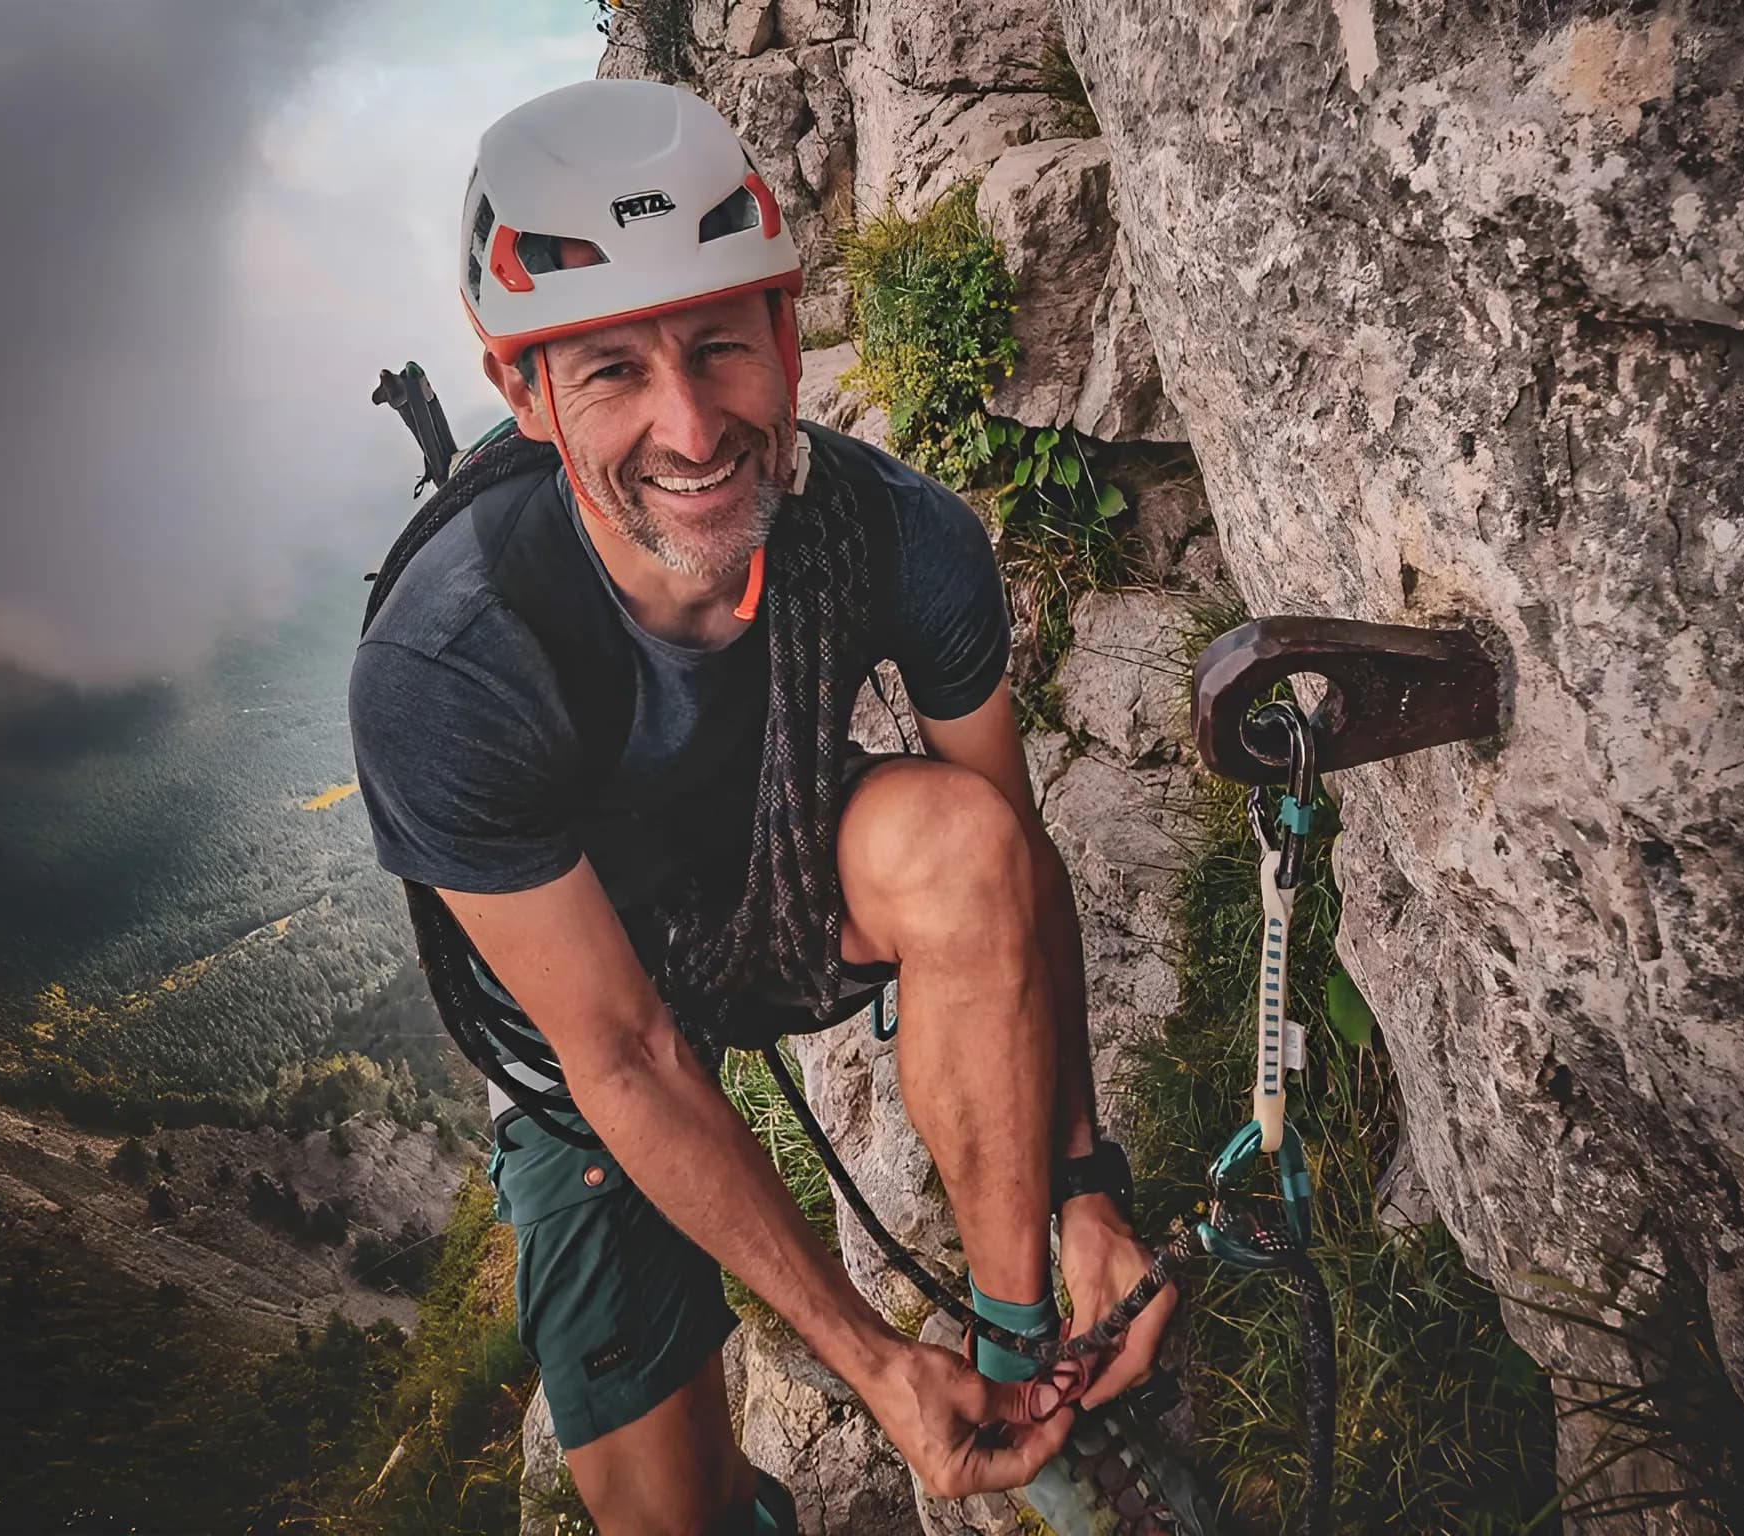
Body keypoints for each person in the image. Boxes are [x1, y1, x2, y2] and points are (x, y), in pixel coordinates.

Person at [349, 78, 1174, 1534]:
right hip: (581, 1012)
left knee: (967, 849)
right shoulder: (454, 660)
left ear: (788, 331)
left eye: (721, 343)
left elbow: (1016, 879)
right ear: (521, 390)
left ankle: (1022, 1373)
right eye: (609, 370)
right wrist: (867, 1364)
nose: (691, 424)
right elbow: (625, 1053)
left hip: (777, 874)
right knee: (671, 1520)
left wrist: (1087, 1186)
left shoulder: (895, 536)